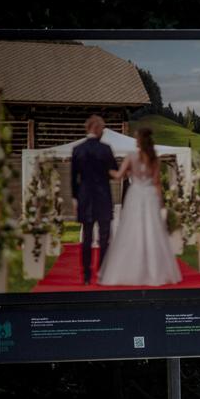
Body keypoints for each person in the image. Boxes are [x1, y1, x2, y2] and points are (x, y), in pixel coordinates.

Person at [98, 128, 182, 286]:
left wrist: (103, 168)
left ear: (139, 140)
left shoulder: (131, 156)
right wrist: (161, 203)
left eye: (136, 137)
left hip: (136, 195)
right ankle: (153, 271)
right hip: (149, 196)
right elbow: (157, 183)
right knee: (151, 231)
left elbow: (118, 176)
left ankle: (131, 269)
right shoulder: (154, 158)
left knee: (132, 231)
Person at [70, 115, 117, 284]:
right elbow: (114, 171)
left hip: (85, 198)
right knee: (104, 237)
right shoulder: (106, 149)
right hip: (103, 197)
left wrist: (75, 199)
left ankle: (86, 276)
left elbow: (73, 178)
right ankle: (102, 273)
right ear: (95, 128)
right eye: (102, 128)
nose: (103, 132)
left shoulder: (77, 150)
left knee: (87, 238)